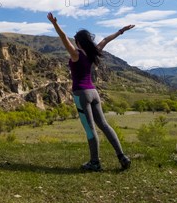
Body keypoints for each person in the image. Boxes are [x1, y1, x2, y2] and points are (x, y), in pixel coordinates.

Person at [47, 12, 135, 171]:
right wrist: (122, 30)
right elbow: (106, 40)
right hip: (94, 93)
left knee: (90, 128)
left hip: (81, 94)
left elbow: (63, 37)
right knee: (104, 125)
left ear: (78, 42)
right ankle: (122, 156)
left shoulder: (75, 54)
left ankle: (95, 162)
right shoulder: (93, 51)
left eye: (75, 40)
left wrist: (54, 23)